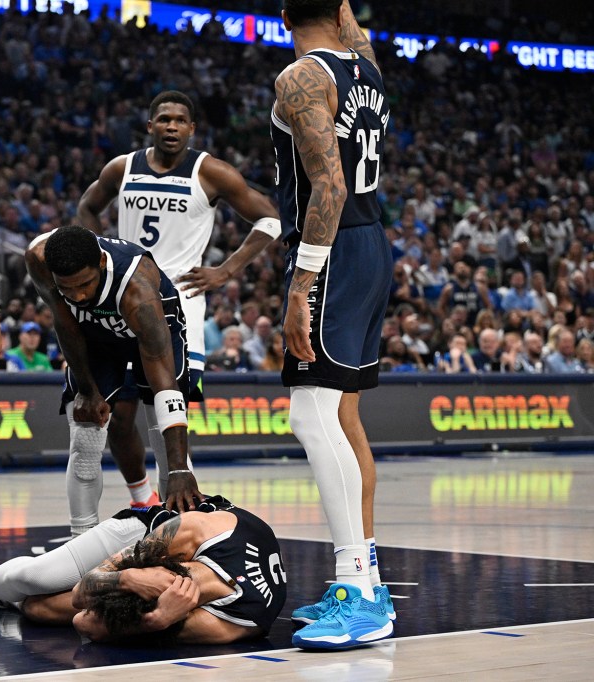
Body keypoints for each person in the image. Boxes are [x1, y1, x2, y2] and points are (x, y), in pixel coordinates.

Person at [76, 90, 281, 518]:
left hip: (178, 304)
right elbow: (87, 207)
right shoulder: (122, 167)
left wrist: (225, 270)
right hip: (122, 297)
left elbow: (270, 219)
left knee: (165, 416)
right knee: (116, 413)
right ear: (150, 126)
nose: (172, 126)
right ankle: (142, 499)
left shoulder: (211, 172)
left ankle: (178, 515)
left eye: (180, 120)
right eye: (164, 119)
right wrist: (100, 256)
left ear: (192, 128)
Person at [272, 0, 395, 650]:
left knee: (310, 417)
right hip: (375, 242)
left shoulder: (300, 78)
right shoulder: (366, 67)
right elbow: (356, 33)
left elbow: (328, 186)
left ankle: (357, 589)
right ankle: (366, 572)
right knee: (345, 420)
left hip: (334, 249)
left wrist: (300, 283)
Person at [26, 225, 201, 536]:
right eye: (67, 288)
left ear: (102, 265)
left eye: (84, 284)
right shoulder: (38, 259)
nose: (78, 295)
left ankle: (170, 538)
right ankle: (80, 540)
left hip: (150, 327)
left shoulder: (138, 291)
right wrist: (88, 390)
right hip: (95, 336)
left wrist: (179, 469)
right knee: (85, 439)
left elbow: (166, 387)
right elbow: (66, 324)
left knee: (165, 443)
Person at [0, 496, 286, 644]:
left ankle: (3, 599)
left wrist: (155, 621)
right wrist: (127, 574)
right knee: (35, 577)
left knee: (37, 609)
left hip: (154, 579)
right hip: (145, 532)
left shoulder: (222, 624)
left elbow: (84, 619)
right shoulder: (192, 534)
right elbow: (84, 591)